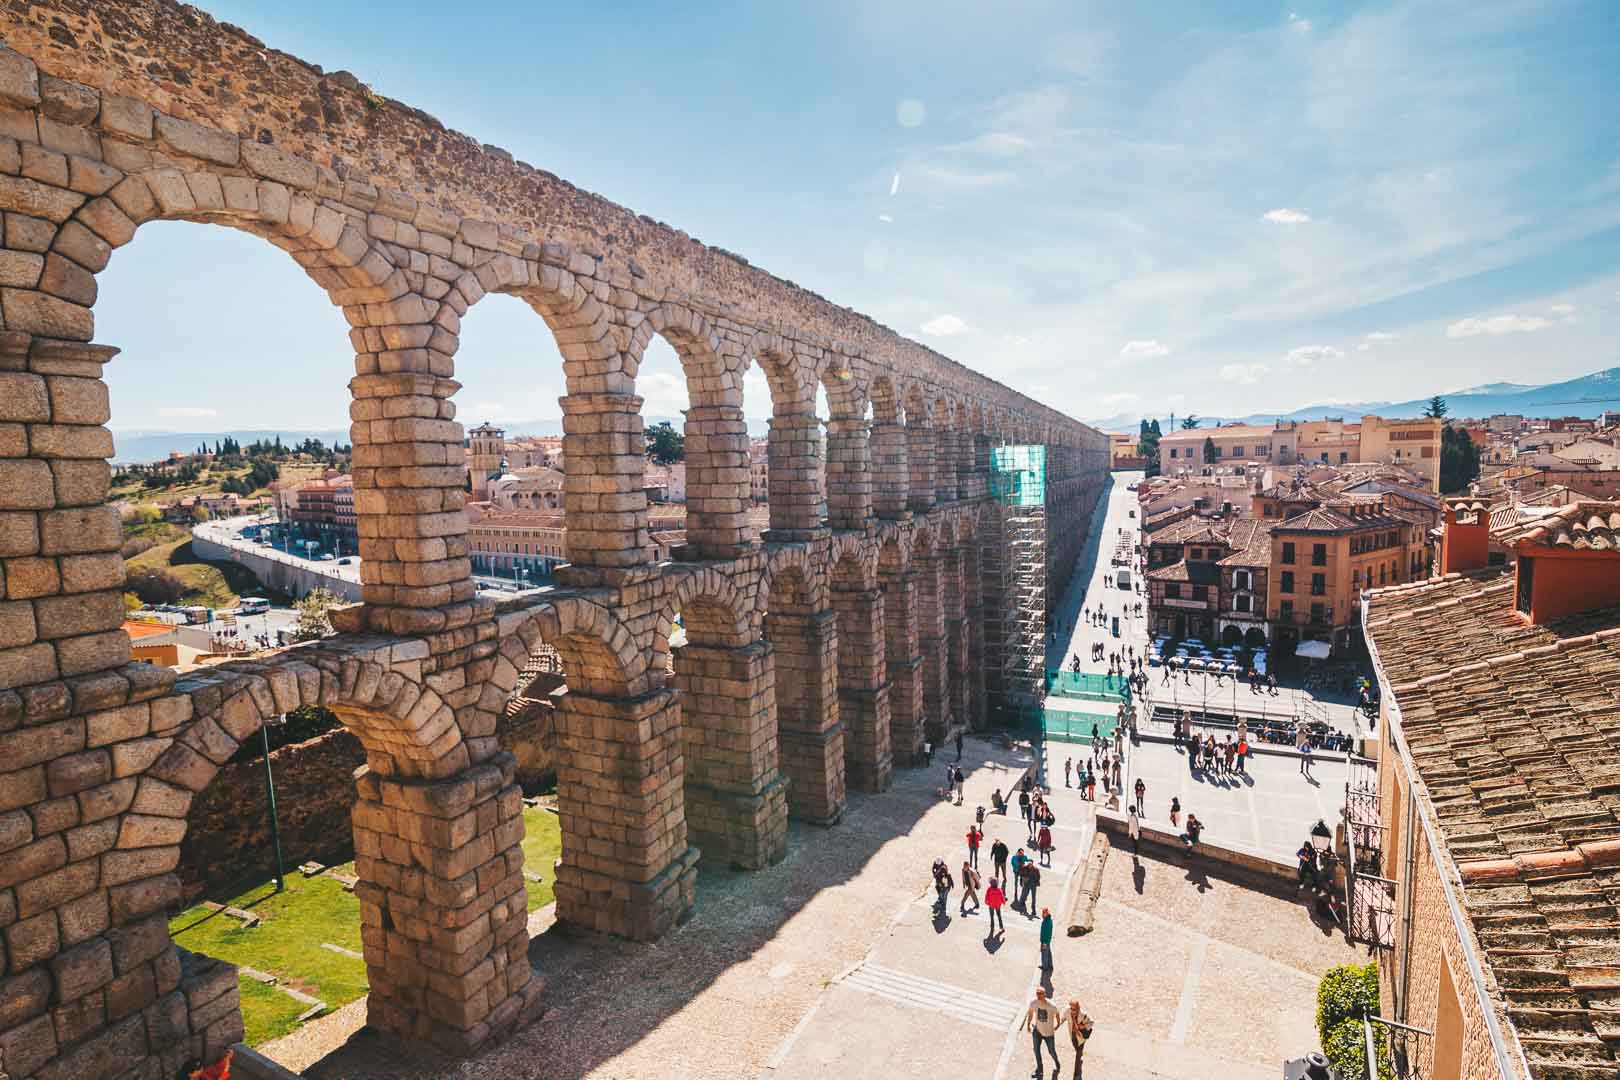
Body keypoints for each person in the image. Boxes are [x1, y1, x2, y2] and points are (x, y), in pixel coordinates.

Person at [1022, 986, 1062, 1079]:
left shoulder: (1052, 1005)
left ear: (1045, 994)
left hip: (1049, 1034)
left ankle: (1056, 1062)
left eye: (1041, 993)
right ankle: (1040, 1070)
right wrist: (1028, 1025)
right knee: (1036, 1051)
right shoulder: (1033, 1003)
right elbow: (1030, 1013)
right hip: (1037, 1031)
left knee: (1051, 1051)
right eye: (1037, 993)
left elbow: (1057, 1013)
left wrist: (1058, 1024)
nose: (1039, 995)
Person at [1066, 1000, 1094, 1079]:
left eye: (1074, 1009)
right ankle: (1080, 1054)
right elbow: (1063, 1017)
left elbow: (1092, 1022)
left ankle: (1076, 1074)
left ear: (1078, 1008)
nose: (1072, 1010)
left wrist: (1084, 1026)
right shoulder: (1068, 1011)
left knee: (1078, 1056)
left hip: (1081, 1038)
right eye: (1071, 1008)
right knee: (1076, 1048)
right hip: (1073, 1036)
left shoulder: (1083, 1014)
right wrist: (1057, 1025)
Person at [1039, 907, 1055, 971]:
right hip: (1047, 941)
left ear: (1046, 913)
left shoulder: (1046, 922)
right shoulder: (1049, 920)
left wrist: (1044, 942)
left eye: (1043, 913)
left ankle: (1045, 967)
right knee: (1048, 953)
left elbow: (1046, 933)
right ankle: (1050, 965)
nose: (1042, 914)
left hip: (1045, 941)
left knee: (1044, 954)